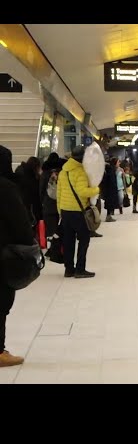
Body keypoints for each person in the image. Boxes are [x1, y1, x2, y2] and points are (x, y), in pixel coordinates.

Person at [0, 145, 34, 366]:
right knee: (1, 301)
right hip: (2, 255)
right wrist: (28, 244)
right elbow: (21, 224)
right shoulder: (5, 188)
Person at [57, 146, 100, 278]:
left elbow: (59, 193)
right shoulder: (80, 171)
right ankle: (80, 269)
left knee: (68, 240)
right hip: (78, 211)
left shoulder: (63, 171)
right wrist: (96, 190)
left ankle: (69, 269)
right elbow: (82, 191)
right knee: (84, 239)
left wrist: (60, 211)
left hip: (65, 210)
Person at [14, 156, 43, 225]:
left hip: (19, 206)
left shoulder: (19, 172)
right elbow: (36, 198)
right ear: (36, 167)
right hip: (30, 209)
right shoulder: (33, 178)